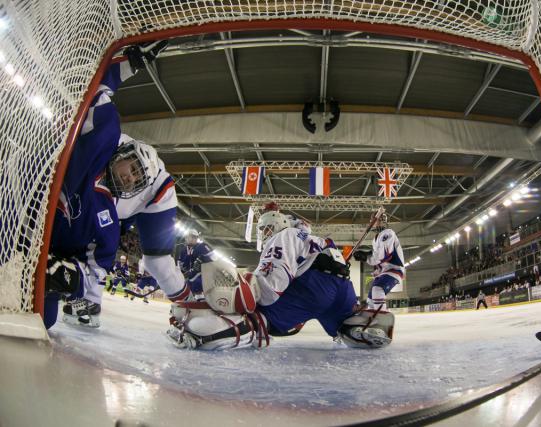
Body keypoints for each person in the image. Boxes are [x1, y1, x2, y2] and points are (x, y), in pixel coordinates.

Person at [43, 41, 191, 329]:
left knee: (45, 320)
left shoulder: (109, 221)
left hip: (46, 249)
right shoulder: (101, 140)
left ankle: (84, 305)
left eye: (137, 179)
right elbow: (96, 91)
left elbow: (96, 269)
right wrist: (127, 64)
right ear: (122, 153)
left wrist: (69, 277)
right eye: (132, 168)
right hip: (23, 205)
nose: (130, 178)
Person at [166, 210, 394, 350]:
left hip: (314, 289)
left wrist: (249, 301)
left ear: (278, 225)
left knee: (262, 320)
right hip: (344, 290)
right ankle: (358, 330)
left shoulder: (284, 235)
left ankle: (203, 336)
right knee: (341, 327)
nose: (265, 233)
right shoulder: (307, 235)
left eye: (266, 228)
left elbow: (272, 287)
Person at [352, 213, 405, 311]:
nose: (374, 222)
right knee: (370, 301)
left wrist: (365, 257)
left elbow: (383, 256)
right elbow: (375, 257)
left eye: (376, 220)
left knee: (377, 289)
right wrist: (365, 256)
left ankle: (381, 314)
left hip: (394, 270)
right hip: (383, 272)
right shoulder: (376, 239)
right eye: (374, 220)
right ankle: (371, 317)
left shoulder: (388, 233)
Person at [178, 229, 214, 301]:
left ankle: (201, 301)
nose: (190, 239)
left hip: (202, 275)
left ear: (197, 238)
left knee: (196, 283)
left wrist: (202, 259)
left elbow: (211, 259)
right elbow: (182, 265)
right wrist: (180, 273)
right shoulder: (183, 250)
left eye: (193, 237)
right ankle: (187, 303)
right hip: (190, 276)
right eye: (188, 237)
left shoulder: (202, 246)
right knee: (183, 287)